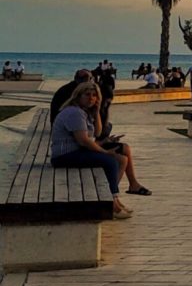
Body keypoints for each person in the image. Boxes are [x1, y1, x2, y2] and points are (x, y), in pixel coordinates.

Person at [50, 81, 144, 218]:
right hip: (65, 156)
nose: (91, 98)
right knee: (111, 162)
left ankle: (113, 199)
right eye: (87, 95)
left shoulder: (84, 112)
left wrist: (97, 111)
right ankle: (111, 204)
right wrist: (105, 152)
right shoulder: (74, 112)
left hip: (77, 151)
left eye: (94, 95)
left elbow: (97, 133)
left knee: (122, 158)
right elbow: (83, 140)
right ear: (78, 96)